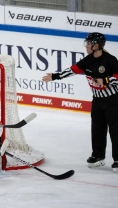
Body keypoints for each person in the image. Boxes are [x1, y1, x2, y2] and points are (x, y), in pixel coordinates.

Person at [42, 32, 118, 173]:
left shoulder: (110, 60)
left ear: (97, 45)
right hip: (97, 100)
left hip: (113, 101)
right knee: (97, 129)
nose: (86, 46)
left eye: (89, 43)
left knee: (115, 130)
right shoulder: (88, 60)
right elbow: (73, 70)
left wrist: (106, 80)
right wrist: (55, 76)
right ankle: (98, 156)